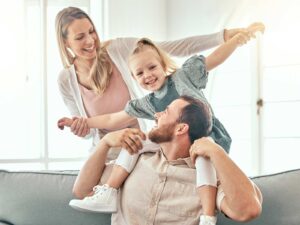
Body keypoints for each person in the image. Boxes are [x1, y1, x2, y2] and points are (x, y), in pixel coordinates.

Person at [59, 23, 264, 225]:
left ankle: (207, 217)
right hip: (166, 149)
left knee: (203, 162)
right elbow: (112, 119)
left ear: (163, 66)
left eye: (152, 67)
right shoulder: (149, 106)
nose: (147, 75)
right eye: (139, 73)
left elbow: (213, 59)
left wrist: (235, 40)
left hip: (207, 138)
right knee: (137, 141)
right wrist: (88, 125)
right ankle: (109, 192)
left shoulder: (184, 77)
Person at [55, 6, 256, 161]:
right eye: (80, 37)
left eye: (92, 31)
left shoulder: (120, 49)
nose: (91, 40)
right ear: (66, 43)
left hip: (143, 145)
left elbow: (174, 49)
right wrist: (81, 126)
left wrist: (225, 37)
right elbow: (104, 124)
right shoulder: (66, 80)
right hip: (110, 151)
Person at [69, 96, 263, 225]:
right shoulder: (135, 160)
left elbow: (248, 210)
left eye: (166, 112)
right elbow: (82, 190)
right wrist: (104, 144)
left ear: (181, 129)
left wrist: (217, 152)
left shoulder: (209, 180)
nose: (157, 115)